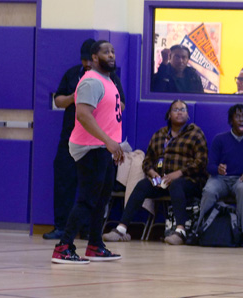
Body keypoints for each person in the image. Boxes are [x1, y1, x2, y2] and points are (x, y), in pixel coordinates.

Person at [51, 40, 125, 264]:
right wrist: (107, 141)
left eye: (112, 51)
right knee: (87, 199)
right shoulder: (91, 81)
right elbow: (83, 115)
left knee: (102, 199)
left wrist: (113, 144)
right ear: (94, 57)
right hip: (91, 147)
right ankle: (64, 247)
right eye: (105, 52)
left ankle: (94, 245)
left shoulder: (109, 80)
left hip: (104, 147)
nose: (111, 55)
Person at [102, 99, 208, 245]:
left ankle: (180, 231)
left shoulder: (195, 133)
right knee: (142, 185)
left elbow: (201, 162)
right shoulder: (159, 135)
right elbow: (147, 161)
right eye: (176, 109)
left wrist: (178, 174)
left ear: (188, 115)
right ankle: (121, 229)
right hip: (161, 180)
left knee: (176, 185)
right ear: (169, 115)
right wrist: (153, 173)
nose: (179, 112)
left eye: (183, 109)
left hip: (188, 180)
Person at [200, 104, 243, 238]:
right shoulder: (220, 139)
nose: (241, 120)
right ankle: (201, 229)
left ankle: (241, 233)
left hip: (241, 179)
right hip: (220, 179)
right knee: (209, 190)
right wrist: (217, 168)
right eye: (237, 116)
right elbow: (209, 166)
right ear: (231, 121)